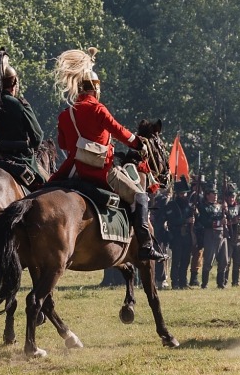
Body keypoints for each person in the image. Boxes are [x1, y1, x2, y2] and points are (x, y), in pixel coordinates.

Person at [46, 47, 166, 262]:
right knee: (140, 196)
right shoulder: (98, 109)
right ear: (96, 89)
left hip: (73, 171)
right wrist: (139, 143)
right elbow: (119, 131)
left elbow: (63, 144)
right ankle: (146, 245)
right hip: (101, 171)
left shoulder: (66, 114)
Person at [0, 50, 47, 190]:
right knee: (46, 192)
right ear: (14, 82)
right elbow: (37, 138)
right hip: (19, 161)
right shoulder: (19, 104)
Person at [198, 186, 230, 288]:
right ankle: (205, 283)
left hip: (222, 234)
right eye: (213, 194)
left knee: (224, 259)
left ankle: (220, 283)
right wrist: (219, 222)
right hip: (211, 233)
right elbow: (205, 222)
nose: (215, 196)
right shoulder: (204, 207)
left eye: (216, 194)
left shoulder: (220, 206)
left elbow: (228, 217)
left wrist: (226, 209)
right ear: (208, 195)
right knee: (208, 259)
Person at [166, 181, 195, 289]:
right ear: (177, 194)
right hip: (176, 235)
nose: (184, 195)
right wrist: (185, 220)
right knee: (176, 260)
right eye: (181, 193)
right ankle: (175, 282)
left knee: (186, 259)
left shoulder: (188, 205)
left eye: (185, 193)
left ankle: (183, 281)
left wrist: (194, 215)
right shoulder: (172, 205)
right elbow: (172, 220)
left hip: (187, 235)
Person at [226, 191, 240, 287]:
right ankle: (223, 281)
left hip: (239, 237)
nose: (232, 199)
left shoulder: (239, 207)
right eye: (230, 197)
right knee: (226, 262)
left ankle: (235, 282)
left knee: (238, 261)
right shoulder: (224, 208)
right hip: (228, 237)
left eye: (233, 197)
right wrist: (232, 221)